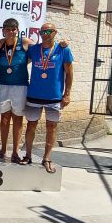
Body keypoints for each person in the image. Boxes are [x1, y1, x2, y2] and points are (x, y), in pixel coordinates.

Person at [22, 23, 73, 173]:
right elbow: (21, 42)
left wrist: (67, 94)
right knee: (31, 126)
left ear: (55, 32)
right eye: (42, 31)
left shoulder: (63, 50)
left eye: (48, 31)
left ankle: (47, 158)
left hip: (54, 97)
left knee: (51, 127)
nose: (45, 33)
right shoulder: (34, 49)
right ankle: (28, 155)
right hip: (34, 95)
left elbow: (69, 74)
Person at [0, 18, 31, 163]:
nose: (11, 32)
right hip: (3, 85)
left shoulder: (25, 43)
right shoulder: (0, 44)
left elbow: (42, 51)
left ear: (17, 30)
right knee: (4, 119)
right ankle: (3, 149)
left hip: (20, 86)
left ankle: (15, 151)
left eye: (13, 29)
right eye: (8, 29)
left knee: (18, 119)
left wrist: (62, 46)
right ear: (3, 31)